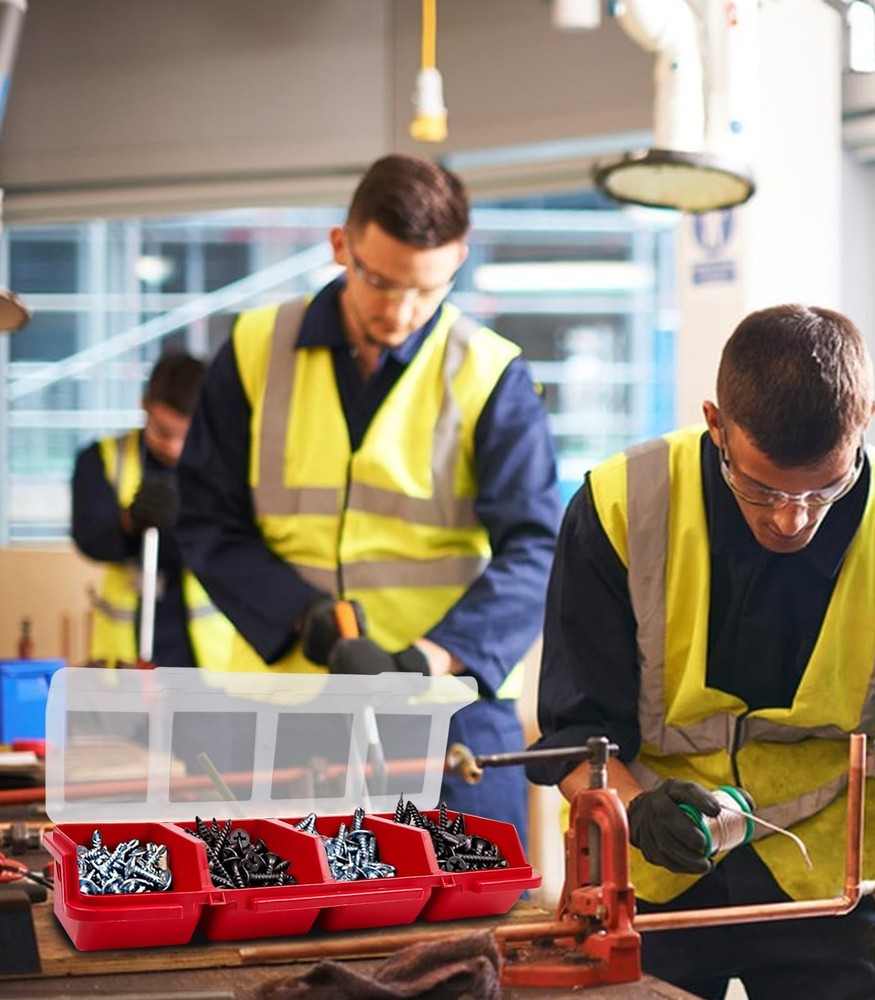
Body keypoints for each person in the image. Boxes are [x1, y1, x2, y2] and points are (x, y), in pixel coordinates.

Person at [526, 304, 875, 1000]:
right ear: (716, 424)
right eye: (762, 487)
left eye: (825, 487)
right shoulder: (621, 505)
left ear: (865, 419)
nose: (792, 518)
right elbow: (572, 735)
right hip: (651, 872)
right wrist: (635, 810)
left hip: (840, 885)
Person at [175, 154, 562, 847]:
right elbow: (206, 518)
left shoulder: (490, 373)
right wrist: (304, 619)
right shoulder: (255, 349)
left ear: (458, 262)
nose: (399, 311)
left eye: (426, 289)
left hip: (448, 708)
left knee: (472, 909)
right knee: (276, 903)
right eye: (379, 281)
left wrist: (428, 660)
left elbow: (537, 548)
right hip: (285, 705)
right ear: (340, 246)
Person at [72, 349, 233, 669]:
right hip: (125, 659)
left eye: (186, 435)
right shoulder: (103, 458)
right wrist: (130, 521)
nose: (173, 447)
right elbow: (90, 537)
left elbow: (231, 545)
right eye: (163, 431)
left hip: (209, 664)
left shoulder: (224, 466)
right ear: (144, 405)